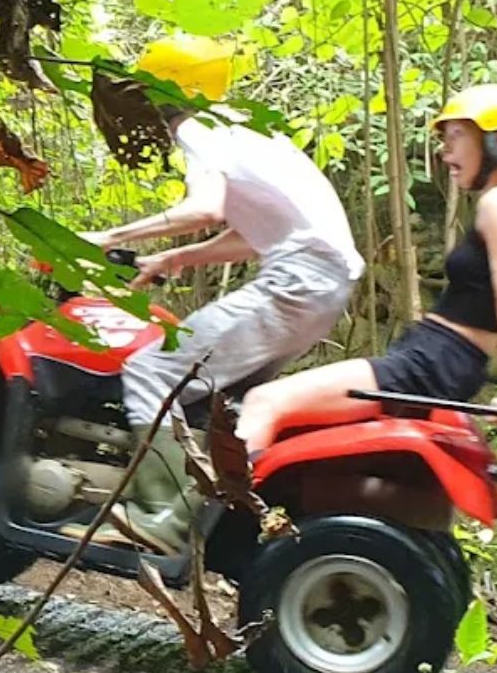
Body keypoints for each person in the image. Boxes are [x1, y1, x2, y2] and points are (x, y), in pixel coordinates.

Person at [70, 35, 364, 556]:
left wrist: (110, 238)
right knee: (215, 400)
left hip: (298, 280)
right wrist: (174, 258)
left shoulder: (200, 129)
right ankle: (203, 513)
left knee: (149, 371)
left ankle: (160, 518)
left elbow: (205, 208)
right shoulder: (246, 131)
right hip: (323, 285)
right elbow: (255, 233)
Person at [236, 83, 497, 457]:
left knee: (263, 402)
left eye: (456, 135)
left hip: (433, 363)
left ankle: (208, 509)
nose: (444, 149)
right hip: (435, 358)